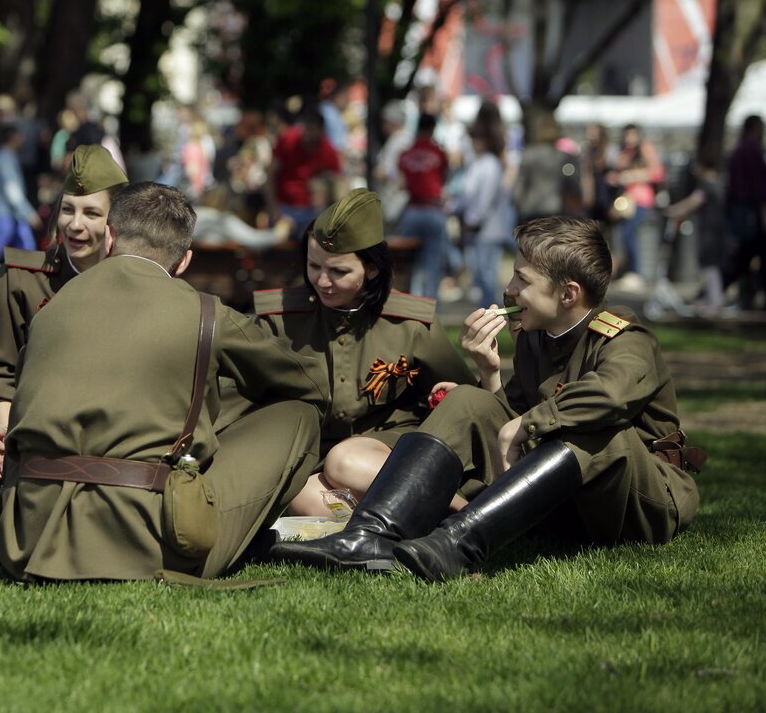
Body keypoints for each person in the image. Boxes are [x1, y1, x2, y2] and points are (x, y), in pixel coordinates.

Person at [274, 216, 701, 580]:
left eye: (522, 279)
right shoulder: (539, 338)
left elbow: (606, 397)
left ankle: (457, 544)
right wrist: (489, 373)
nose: (509, 289)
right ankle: (369, 535)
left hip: (641, 506)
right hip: (567, 503)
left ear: (568, 294)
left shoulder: (626, 340)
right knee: (466, 400)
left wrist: (529, 423)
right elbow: (509, 417)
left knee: (588, 426)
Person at [0, 183, 329, 581]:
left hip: (28, 533)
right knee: (298, 414)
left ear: (110, 238)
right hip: (144, 542)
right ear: (184, 260)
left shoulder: (52, 307)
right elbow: (310, 381)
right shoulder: (205, 313)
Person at [251, 190, 480, 517]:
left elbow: (465, 399)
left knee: (346, 462)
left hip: (388, 453)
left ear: (372, 269)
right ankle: (388, 523)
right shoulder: (281, 320)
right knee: (302, 496)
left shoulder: (410, 324)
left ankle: (464, 514)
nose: (322, 281)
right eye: (314, 266)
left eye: (339, 272)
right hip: (317, 461)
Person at [0, 145, 128, 432]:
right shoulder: (20, 281)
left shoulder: (135, 285)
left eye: (91, 213)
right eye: (67, 210)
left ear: (115, 223)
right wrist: (8, 443)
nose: (75, 225)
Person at [454, 117, 510, 306]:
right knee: (478, 272)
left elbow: (484, 199)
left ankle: (491, 311)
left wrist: (471, 220)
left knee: (486, 274)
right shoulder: (478, 164)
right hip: (478, 228)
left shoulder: (490, 164)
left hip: (487, 228)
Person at [396, 112, 450, 299]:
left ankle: (404, 304)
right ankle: (430, 307)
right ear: (433, 129)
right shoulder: (439, 152)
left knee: (405, 264)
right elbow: (443, 178)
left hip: (411, 210)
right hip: (432, 209)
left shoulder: (405, 153)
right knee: (432, 264)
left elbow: (402, 181)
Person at [267, 108, 342, 236]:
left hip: (312, 213)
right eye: (308, 130)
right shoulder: (287, 141)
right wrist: (273, 208)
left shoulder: (328, 151)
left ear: (322, 131)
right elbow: (270, 176)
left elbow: (338, 185)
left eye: (314, 131)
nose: (310, 136)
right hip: (284, 209)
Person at [609, 124, 665, 289]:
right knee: (623, 236)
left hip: (641, 200)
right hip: (626, 200)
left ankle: (636, 272)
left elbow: (658, 173)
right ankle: (629, 271)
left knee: (630, 235)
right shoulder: (625, 151)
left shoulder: (645, 149)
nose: (629, 138)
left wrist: (630, 176)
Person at [722, 114, 766, 310]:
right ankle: (745, 295)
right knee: (747, 254)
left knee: (744, 255)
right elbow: (758, 185)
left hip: (740, 210)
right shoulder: (751, 150)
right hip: (748, 209)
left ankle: (744, 295)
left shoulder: (738, 150)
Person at [0, 123, 40, 261]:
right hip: (4, 214)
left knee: (23, 250)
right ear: (12, 138)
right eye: (19, 136)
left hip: (9, 213)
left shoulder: (5, 157)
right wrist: (29, 213)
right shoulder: (4, 159)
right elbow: (12, 190)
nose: (22, 139)